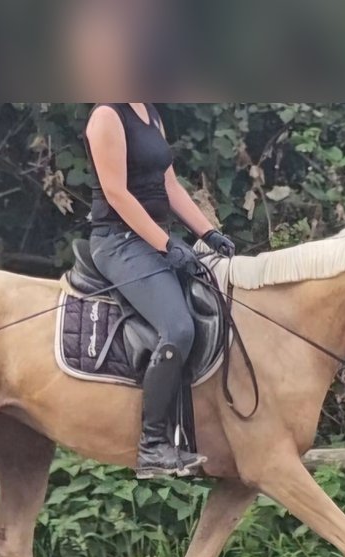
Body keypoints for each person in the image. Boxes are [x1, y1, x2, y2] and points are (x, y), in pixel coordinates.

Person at [82, 102, 236, 479]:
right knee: (178, 328)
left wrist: (207, 232)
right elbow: (116, 193)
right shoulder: (107, 116)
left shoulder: (150, 113)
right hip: (118, 241)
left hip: (151, 239)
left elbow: (168, 184)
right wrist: (166, 244)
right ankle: (152, 444)